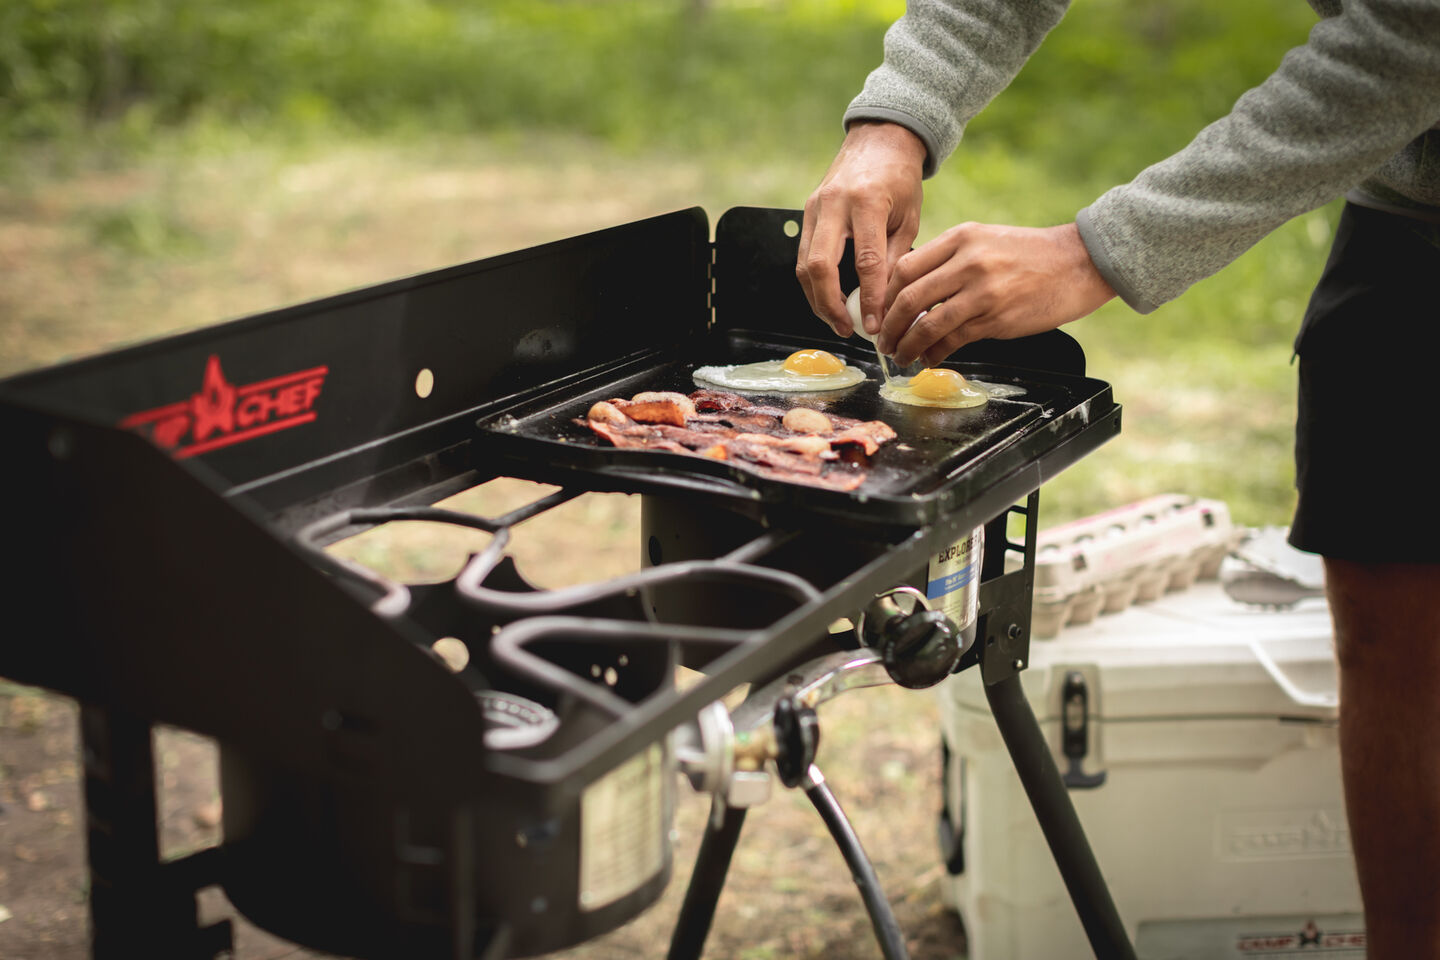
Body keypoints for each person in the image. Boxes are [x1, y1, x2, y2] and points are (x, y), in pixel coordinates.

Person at [794, 1, 1440, 956]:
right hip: (1408, 215)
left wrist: (1094, 250)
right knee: (1387, 618)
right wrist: (895, 119)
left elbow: (1414, 33)